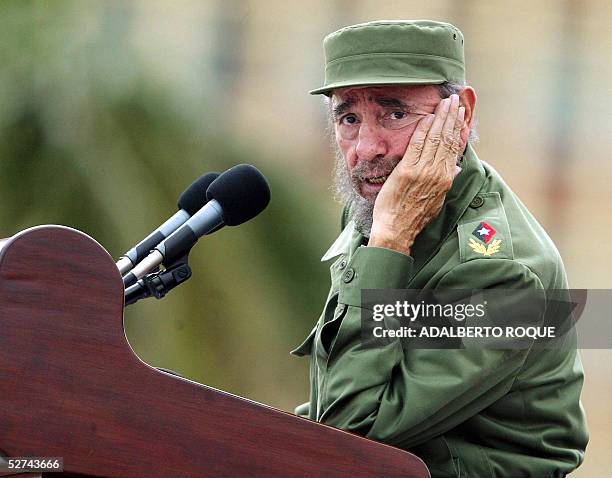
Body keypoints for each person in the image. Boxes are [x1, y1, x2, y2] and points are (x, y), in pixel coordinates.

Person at [291, 20, 588, 477]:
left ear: (461, 114)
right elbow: (336, 396)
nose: (366, 149)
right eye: (348, 118)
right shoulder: (382, 206)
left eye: (394, 114)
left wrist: (388, 243)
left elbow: (347, 436)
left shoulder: (503, 273)